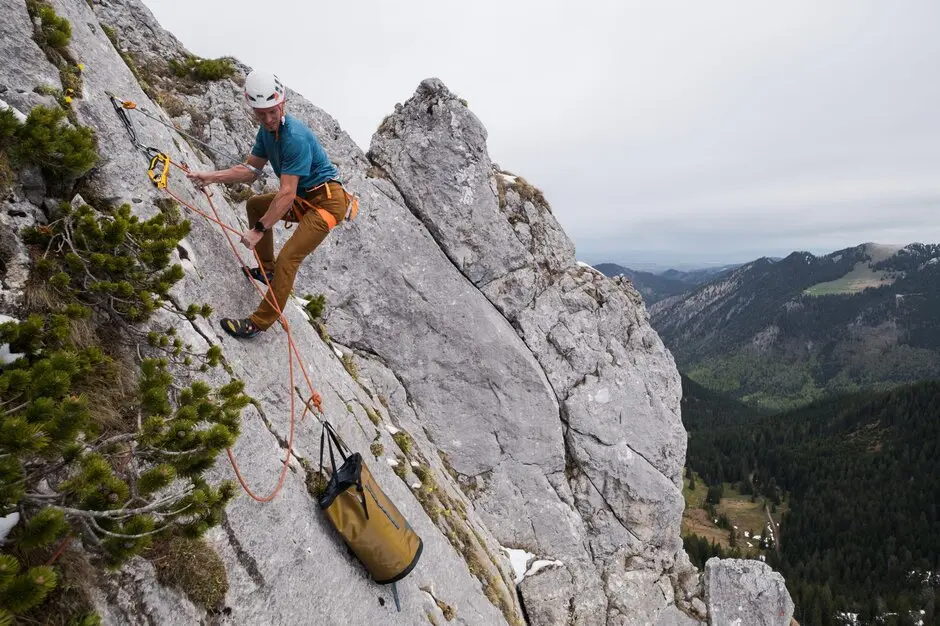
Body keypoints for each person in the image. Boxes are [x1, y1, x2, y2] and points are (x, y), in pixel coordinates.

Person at [186, 70, 352, 339]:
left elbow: (286, 194)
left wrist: (259, 230)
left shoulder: (294, 137)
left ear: (282, 104)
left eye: (272, 112)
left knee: (289, 258)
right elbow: (250, 170)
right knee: (255, 205)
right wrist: (211, 177)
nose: (268, 119)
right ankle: (267, 270)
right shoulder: (265, 133)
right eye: (260, 114)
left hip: (328, 203)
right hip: (305, 198)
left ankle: (258, 323)